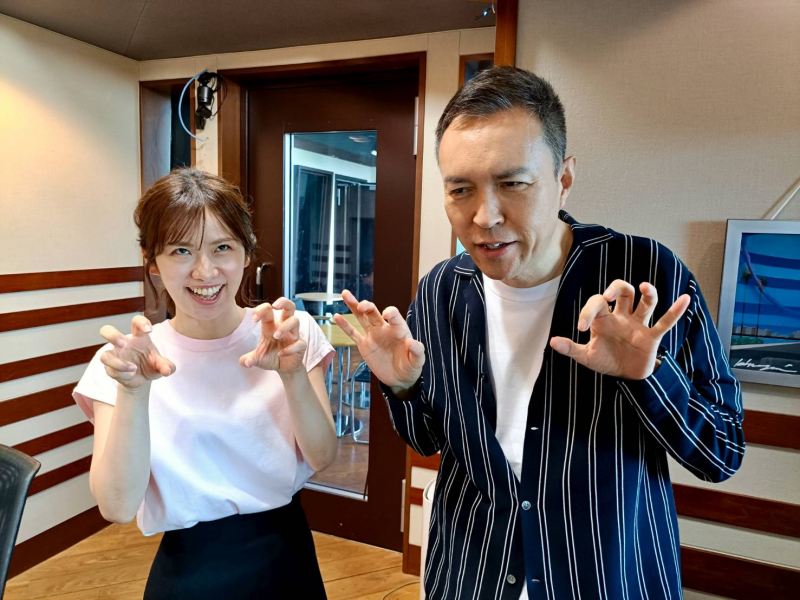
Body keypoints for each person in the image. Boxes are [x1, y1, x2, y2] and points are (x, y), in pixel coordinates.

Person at [335, 67, 744, 600]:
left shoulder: (646, 278)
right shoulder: (440, 290)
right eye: (461, 189)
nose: (485, 216)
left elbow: (721, 452)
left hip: (605, 576)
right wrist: (404, 386)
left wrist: (649, 377)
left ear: (564, 178)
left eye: (513, 183)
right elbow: (429, 440)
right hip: (470, 575)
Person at [73, 168, 336, 599]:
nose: (205, 270)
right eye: (181, 250)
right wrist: (135, 393)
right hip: (189, 575)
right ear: (152, 262)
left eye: (222, 247)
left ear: (246, 253)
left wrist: (292, 375)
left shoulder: (290, 333)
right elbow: (117, 507)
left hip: (287, 558)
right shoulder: (126, 362)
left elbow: (323, 458)